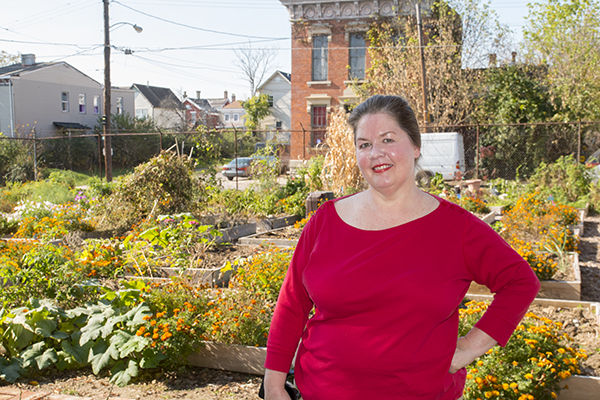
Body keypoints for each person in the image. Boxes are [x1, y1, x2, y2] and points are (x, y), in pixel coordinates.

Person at [263, 95, 540, 400]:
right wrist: (274, 387)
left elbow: (520, 282)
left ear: (416, 146)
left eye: (388, 139)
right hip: (321, 391)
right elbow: (292, 305)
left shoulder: (456, 229)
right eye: (364, 144)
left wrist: (468, 348)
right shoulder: (326, 221)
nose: (376, 153)